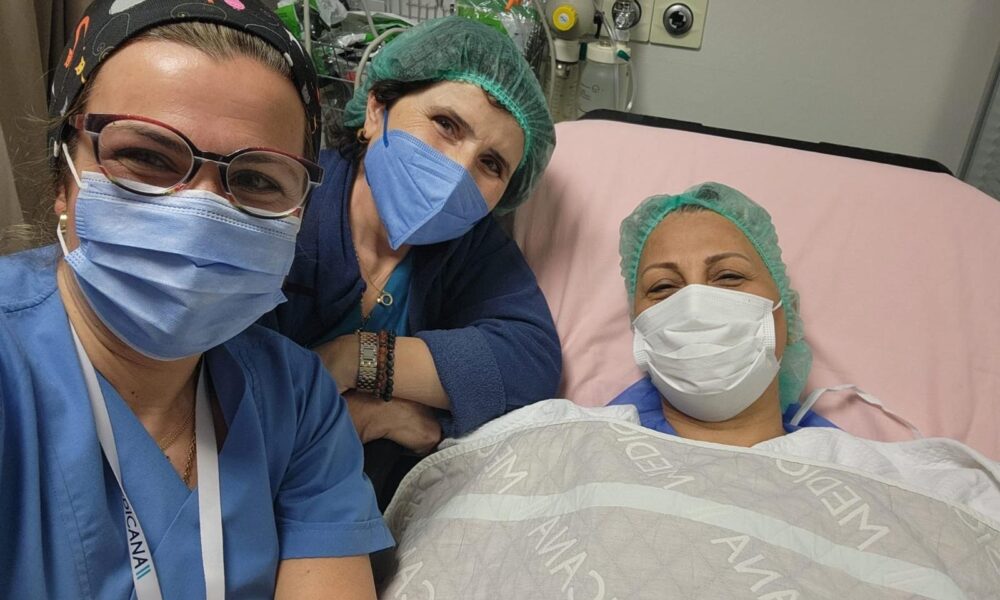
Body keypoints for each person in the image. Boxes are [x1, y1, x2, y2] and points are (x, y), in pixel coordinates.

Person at [0, 2, 392, 598]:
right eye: (147, 158)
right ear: (64, 175)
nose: (201, 211)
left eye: (257, 180)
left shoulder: (296, 402)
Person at [260, 17, 560, 504]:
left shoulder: (471, 246)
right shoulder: (287, 204)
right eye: (446, 125)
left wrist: (356, 360)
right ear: (376, 109)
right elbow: (225, 383)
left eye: (491, 164)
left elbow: (530, 363)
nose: (458, 171)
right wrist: (382, 412)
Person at [610, 182, 833, 447]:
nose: (695, 310)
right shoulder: (577, 442)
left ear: (789, 311)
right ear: (637, 325)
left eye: (729, 276)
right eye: (663, 287)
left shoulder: (864, 465)